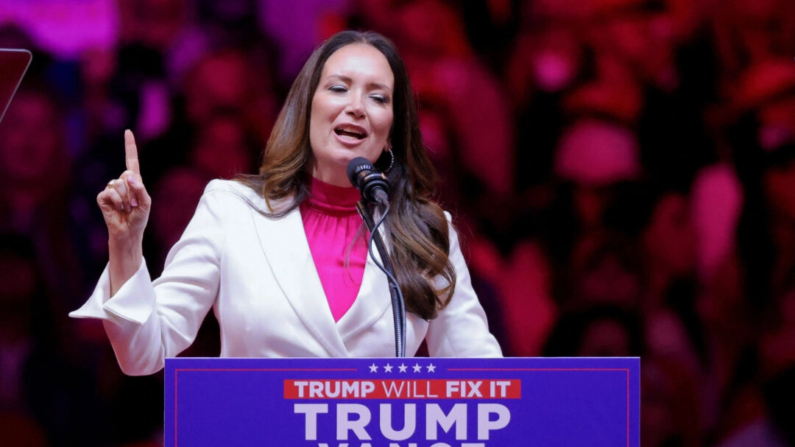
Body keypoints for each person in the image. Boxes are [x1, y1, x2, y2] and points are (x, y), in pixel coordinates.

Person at [69, 30, 502, 375]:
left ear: (391, 128)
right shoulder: (232, 210)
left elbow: (484, 383)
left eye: (377, 97)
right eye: (338, 88)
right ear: (306, 106)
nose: (356, 107)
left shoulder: (425, 230)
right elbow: (144, 352)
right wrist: (126, 246)